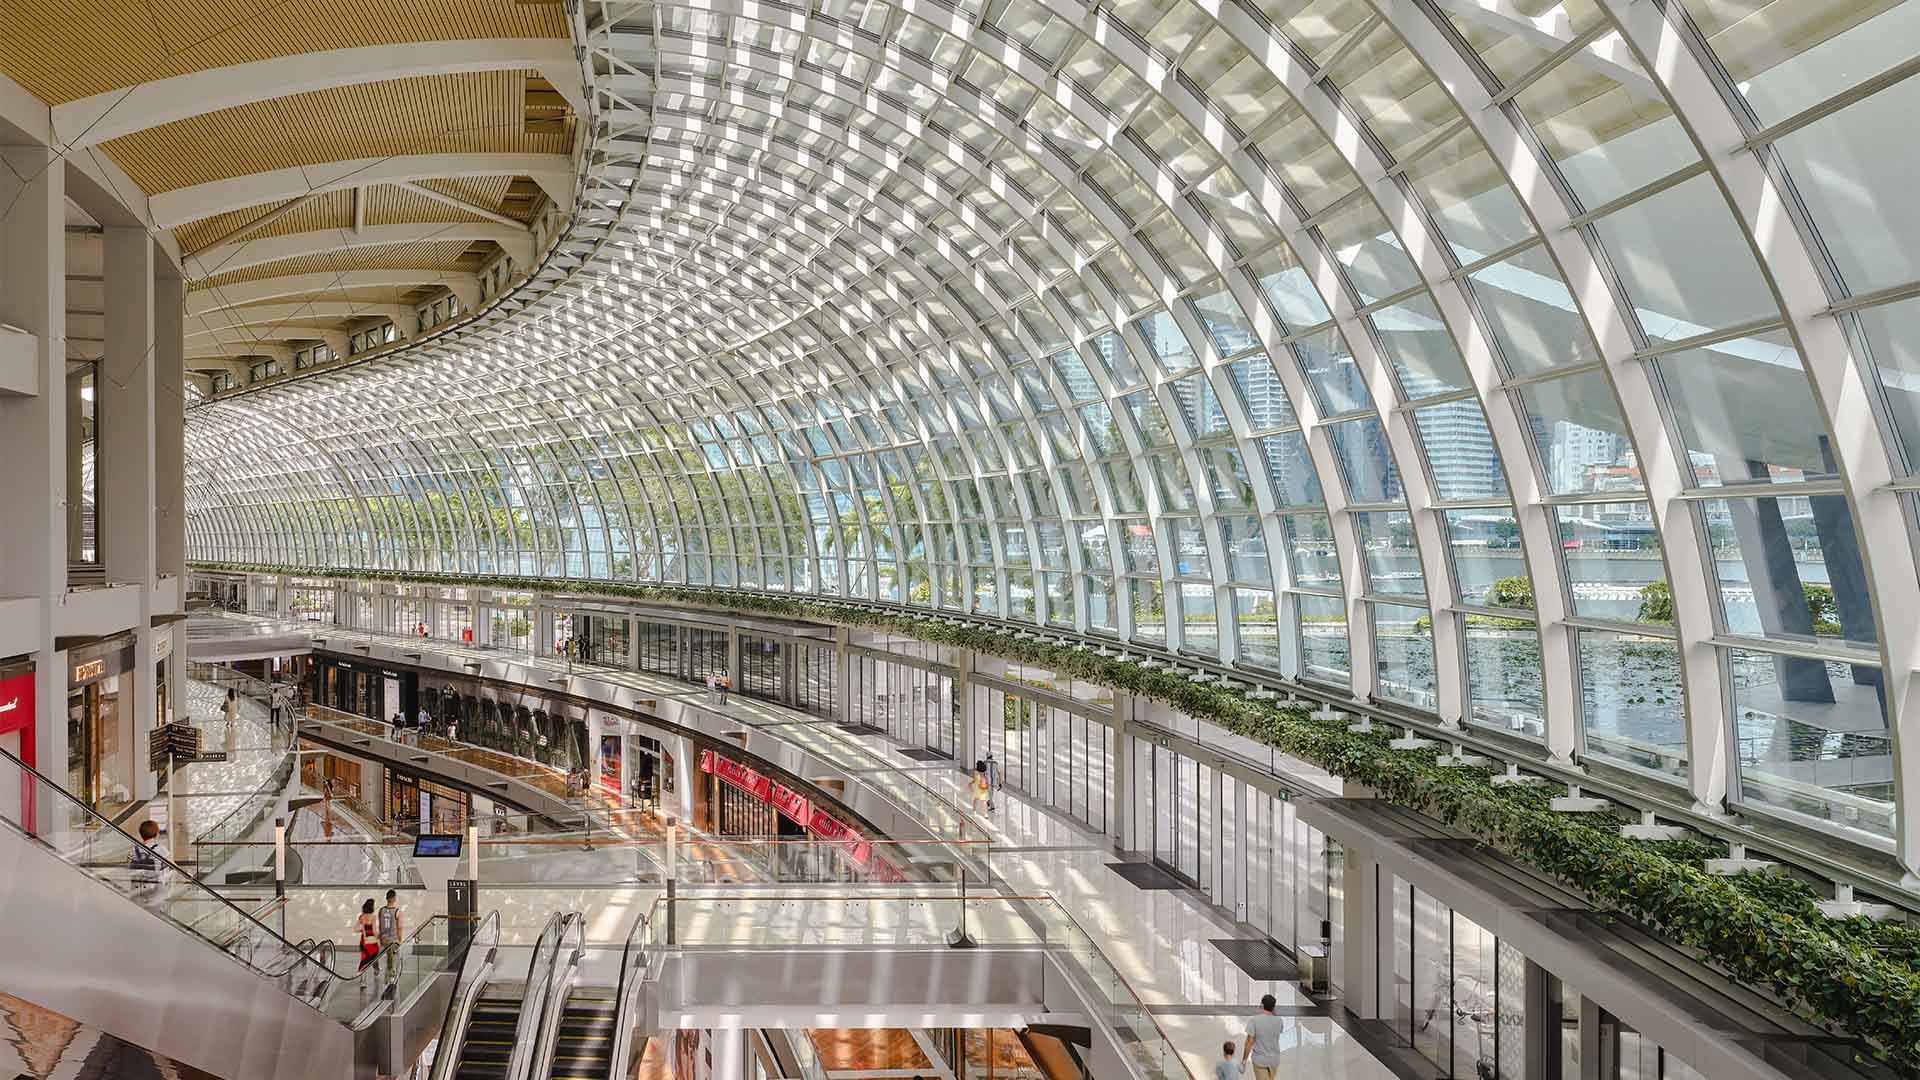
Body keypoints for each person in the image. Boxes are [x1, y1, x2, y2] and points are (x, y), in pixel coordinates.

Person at [1241, 994, 1285, 1080]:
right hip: (1274, 1060)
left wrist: (1244, 1060)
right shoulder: (1279, 1021)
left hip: (1260, 1060)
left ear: (1262, 1005)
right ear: (1273, 1007)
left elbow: (1249, 1042)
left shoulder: (1254, 1020)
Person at [128, 819, 164, 909]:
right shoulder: (160, 849)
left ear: (141, 834)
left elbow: (129, 866)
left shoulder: (133, 849)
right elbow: (173, 865)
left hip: (136, 889)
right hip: (153, 889)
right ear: (156, 833)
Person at [377, 889, 404, 979]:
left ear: (386, 898)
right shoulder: (397, 911)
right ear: (395, 898)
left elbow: (380, 926)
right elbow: (399, 927)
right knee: (393, 957)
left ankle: (386, 974)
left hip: (383, 940)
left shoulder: (381, 910)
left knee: (388, 956)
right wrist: (400, 940)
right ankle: (390, 976)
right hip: (393, 941)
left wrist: (381, 939)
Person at [356, 898, 380, 972]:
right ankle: (376, 969)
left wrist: (363, 930)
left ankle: (363, 979)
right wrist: (379, 937)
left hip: (364, 941)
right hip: (372, 942)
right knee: (375, 956)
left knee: (364, 959)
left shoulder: (361, 916)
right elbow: (374, 931)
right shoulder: (373, 917)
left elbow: (356, 929)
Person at [222, 688, 239, 753]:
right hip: (233, 708)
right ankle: (232, 723)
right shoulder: (234, 697)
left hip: (229, 708)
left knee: (228, 716)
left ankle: (228, 723)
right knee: (233, 716)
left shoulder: (227, 696)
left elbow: (225, 702)